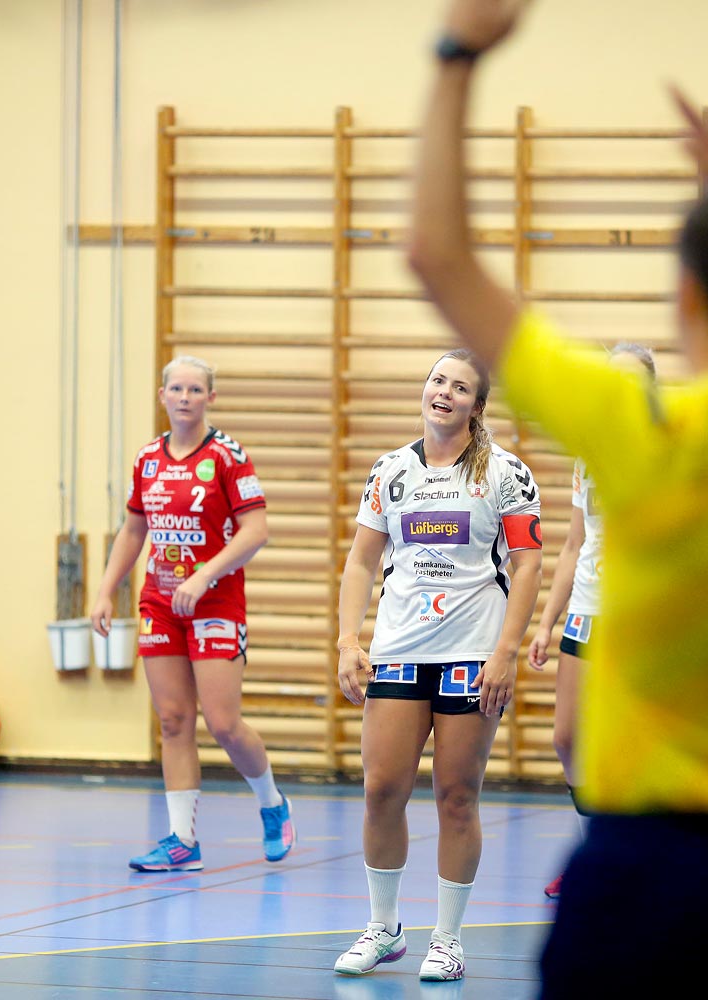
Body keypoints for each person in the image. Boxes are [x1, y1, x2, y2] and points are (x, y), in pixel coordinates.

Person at [405, 2, 708, 996]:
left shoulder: (644, 430)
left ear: (686, 297)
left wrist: (457, 58)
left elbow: (438, 257)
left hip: (645, 878)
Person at [333, 348, 543, 982]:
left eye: (459, 387)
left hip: (472, 655)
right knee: (381, 790)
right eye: (437, 381)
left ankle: (447, 940)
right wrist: (349, 639)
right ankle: (385, 927)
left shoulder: (505, 473)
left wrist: (506, 650)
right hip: (400, 652)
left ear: (478, 407)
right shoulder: (390, 472)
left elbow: (529, 562)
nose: (443, 393)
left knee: (456, 796)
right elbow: (362, 562)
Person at [90, 355, 295, 872]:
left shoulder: (227, 456)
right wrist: (104, 591)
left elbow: (256, 530)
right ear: (162, 396)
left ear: (210, 397)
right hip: (160, 603)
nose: (185, 397)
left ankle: (272, 803)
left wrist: (205, 574)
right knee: (174, 719)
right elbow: (134, 530)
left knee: (223, 723)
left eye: (195, 389)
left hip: (215, 602)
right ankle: (183, 840)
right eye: (176, 389)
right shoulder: (148, 460)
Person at [526, 341, 656, 900]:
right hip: (586, 610)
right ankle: (593, 855)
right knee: (568, 737)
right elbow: (575, 543)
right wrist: (547, 620)